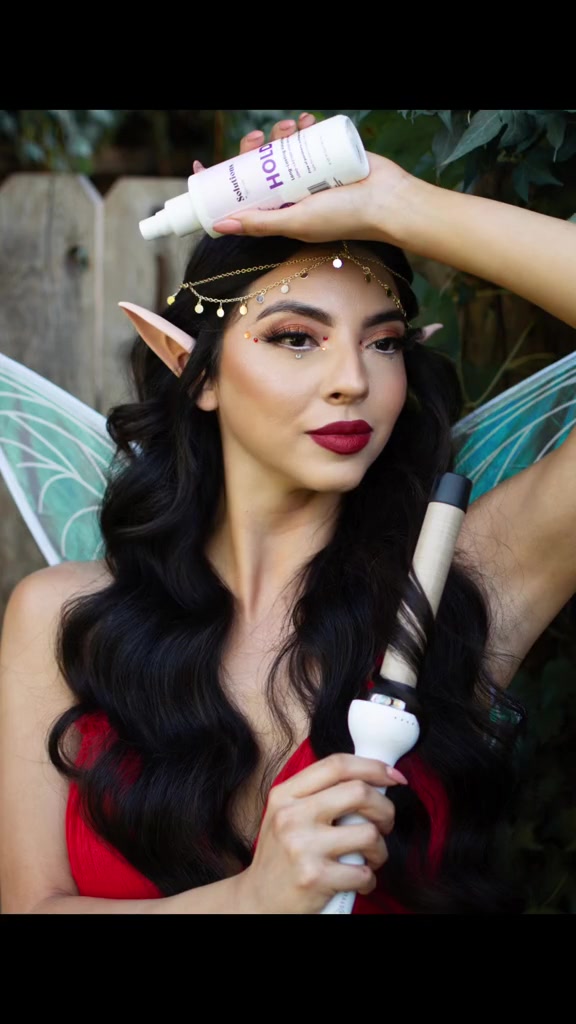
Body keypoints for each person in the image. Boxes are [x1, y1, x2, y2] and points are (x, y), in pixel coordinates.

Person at [0, 112, 575, 915]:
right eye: (296, 337)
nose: (352, 380)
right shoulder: (62, 620)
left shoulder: (458, 583)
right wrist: (252, 900)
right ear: (196, 372)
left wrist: (396, 204)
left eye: (383, 342)